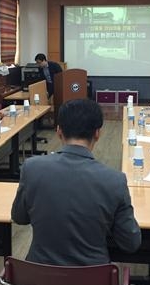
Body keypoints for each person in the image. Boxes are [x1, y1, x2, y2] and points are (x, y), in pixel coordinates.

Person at [12, 99, 142, 266]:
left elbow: (19, 217)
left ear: (59, 131)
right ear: (97, 133)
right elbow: (130, 243)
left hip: (39, 276)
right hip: (92, 280)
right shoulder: (115, 180)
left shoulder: (31, 168)